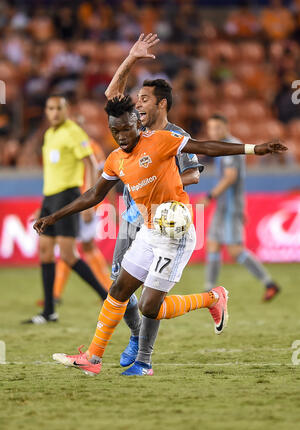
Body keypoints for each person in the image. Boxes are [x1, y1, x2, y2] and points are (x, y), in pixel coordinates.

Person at [33, 95, 287, 376]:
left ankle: (213, 298)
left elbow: (206, 147)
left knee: (149, 308)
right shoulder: (115, 160)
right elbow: (94, 194)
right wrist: (53, 218)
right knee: (117, 290)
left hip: (175, 235)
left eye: (125, 129)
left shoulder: (161, 140)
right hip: (149, 232)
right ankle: (93, 357)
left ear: (136, 123)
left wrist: (254, 149)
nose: (121, 137)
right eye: (114, 131)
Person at [104, 33, 204, 376]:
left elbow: (193, 176)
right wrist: (131, 58)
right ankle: (135, 336)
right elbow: (111, 96)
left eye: (144, 99)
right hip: (132, 218)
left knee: (150, 294)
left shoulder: (176, 137)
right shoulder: (135, 127)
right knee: (117, 282)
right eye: (137, 100)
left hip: (163, 221)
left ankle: (143, 355)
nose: (138, 104)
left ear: (161, 103)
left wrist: (160, 179)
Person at [24, 94, 108, 324]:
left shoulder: (73, 131)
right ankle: (49, 311)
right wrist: (43, 206)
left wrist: (90, 199)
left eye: (58, 108)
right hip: (49, 198)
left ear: (66, 109)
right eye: (50, 108)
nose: (54, 113)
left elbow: (90, 164)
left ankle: (107, 297)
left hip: (67, 197)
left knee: (69, 255)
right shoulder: (49, 134)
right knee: (45, 252)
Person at [201, 114, 280, 301]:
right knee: (212, 244)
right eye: (211, 128)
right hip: (225, 206)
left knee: (235, 251)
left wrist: (210, 195)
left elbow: (230, 177)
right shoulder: (225, 145)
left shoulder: (231, 146)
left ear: (226, 126)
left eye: (217, 127)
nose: (214, 131)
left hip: (229, 207)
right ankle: (209, 293)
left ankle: (270, 284)